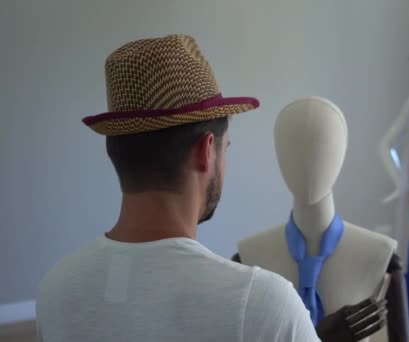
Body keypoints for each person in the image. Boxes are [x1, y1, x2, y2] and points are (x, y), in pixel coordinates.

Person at [35, 34, 321, 342]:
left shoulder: (57, 290)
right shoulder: (260, 305)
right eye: (227, 148)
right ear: (206, 150)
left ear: (114, 152)